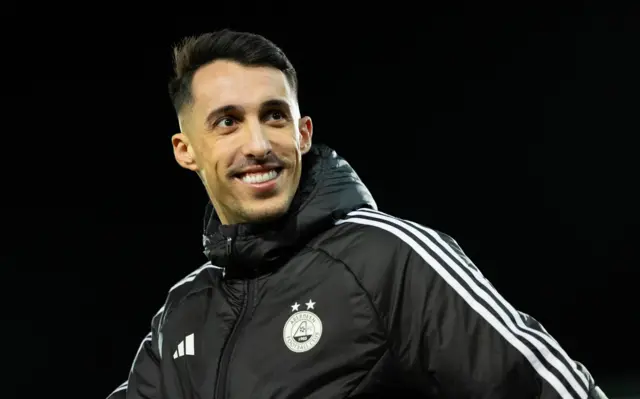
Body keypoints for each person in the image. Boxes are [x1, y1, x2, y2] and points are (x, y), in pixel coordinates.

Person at [106, 29, 607, 399]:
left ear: (302, 133)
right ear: (185, 149)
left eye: (274, 116)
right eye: (228, 122)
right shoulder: (182, 311)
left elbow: (555, 389)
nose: (258, 144)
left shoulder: (386, 256)